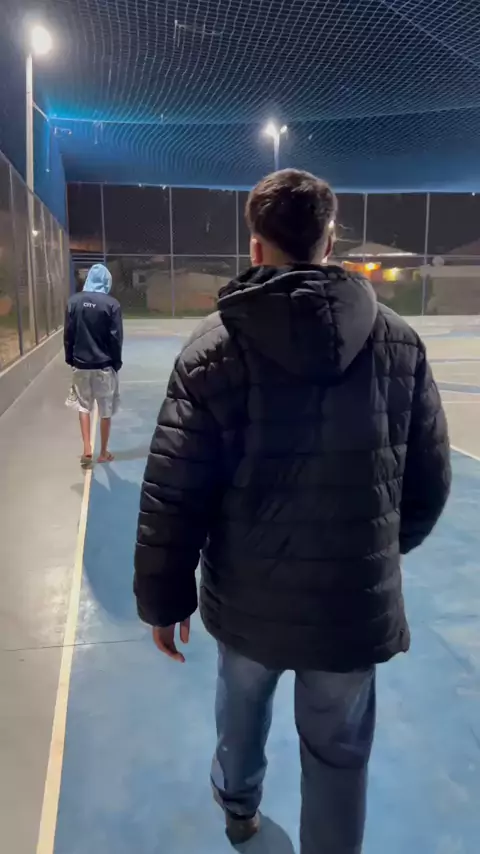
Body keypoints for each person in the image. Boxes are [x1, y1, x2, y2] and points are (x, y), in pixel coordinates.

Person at [134, 170, 451, 853]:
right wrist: (374, 551)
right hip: (350, 606)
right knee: (339, 754)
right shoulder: (399, 344)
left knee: (240, 714)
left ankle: (239, 811)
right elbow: (429, 483)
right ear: (329, 241)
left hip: (248, 599)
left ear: (256, 247)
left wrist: (164, 598)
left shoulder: (212, 349)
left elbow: (175, 489)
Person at [64, 263, 123, 467]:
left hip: (80, 364)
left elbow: (69, 334)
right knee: (105, 409)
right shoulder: (112, 304)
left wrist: (70, 358)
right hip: (104, 365)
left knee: (83, 406)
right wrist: (116, 362)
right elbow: (116, 337)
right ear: (106, 281)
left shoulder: (74, 302)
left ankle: (87, 449)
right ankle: (103, 452)